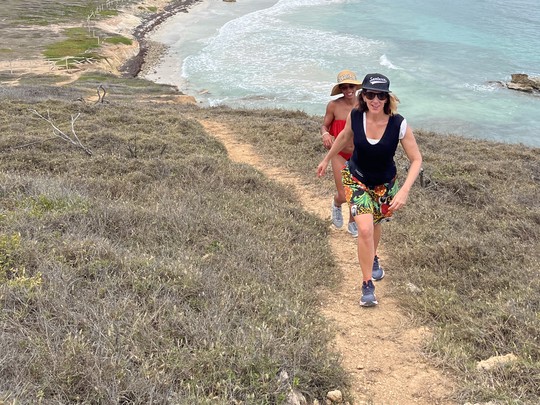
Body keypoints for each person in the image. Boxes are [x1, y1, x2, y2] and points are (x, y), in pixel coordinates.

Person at [317, 73, 422, 307]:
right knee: (364, 229)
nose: (376, 100)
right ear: (364, 96)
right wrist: (326, 159)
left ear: (387, 98)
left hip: (385, 185)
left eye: (381, 95)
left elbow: (416, 159)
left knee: (374, 224)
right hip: (357, 179)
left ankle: (373, 257)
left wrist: (404, 191)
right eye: (371, 94)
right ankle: (367, 285)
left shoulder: (399, 123)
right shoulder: (356, 116)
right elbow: (344, 137)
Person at [321, 70, 361, 237]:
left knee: (357, 191)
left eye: (350, 86)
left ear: (356, 87)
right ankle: (337, 204)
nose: (348, 90)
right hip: (338, 153)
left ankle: (353, 222)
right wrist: (325, 134)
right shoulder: (334, 106)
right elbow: (324, 125)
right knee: (344, 194)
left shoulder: (365, 104)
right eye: (344, 87)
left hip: (359, 154)